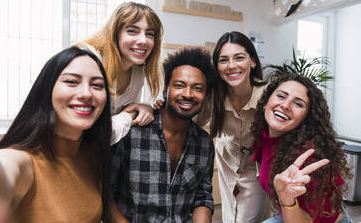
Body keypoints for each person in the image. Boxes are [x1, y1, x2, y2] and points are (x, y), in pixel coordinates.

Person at [0, 47, 112, 223]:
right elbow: (0, 168)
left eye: (97, 85)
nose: (86, 93)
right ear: (47, 89)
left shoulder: (91, 154)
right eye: (71, 81)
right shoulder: (23, 161)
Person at [110, 48, 216, 223]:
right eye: (179, 85)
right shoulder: (133, 131)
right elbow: (106, 192)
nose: (188, 94)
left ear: (205, 95)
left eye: (197, 88)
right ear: (166, 88)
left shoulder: (204, 143)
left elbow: (202, 196)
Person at [251, 73, 352, 223]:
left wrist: (287, 199)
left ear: (306, 118)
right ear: (265, 102)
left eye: (298, 104)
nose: (285, 105)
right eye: (281, 96)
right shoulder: (265, 135)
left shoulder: (310, 156)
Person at [79, 1, 164, 144]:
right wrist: (127, 117)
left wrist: (144, 107)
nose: (143, 40)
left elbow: (129, 110)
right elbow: (88, 134)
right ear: (115, 33)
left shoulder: (138, 71)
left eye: (150, 34)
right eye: (132, 31)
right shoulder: (89, 60)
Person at [210, 31, 268, 222]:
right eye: (223, 60)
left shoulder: (269, 95)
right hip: (228, 170)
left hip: (257, 173)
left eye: (239, 58)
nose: (231, 65)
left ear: (252, 61)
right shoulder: (213, 97)